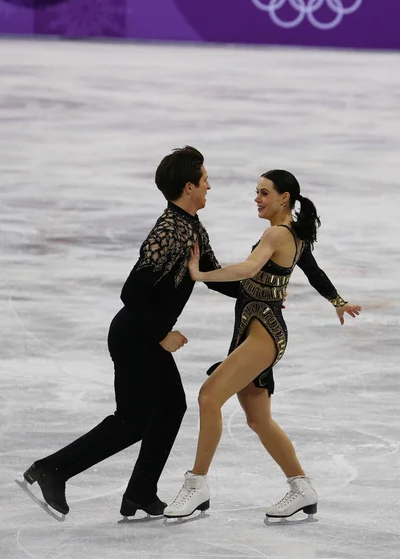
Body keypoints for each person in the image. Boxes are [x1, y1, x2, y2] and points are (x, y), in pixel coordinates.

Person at [21, 146, 239, 518]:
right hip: (136, 335)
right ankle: (51, 470)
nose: (209, 187)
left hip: (143, 334)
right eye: (204, 181)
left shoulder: (192, 227)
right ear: (188, 187)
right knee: (131, 421)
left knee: (170, 408)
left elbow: (213, 275)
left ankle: (139, 493)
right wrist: (160, 334)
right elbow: (131, 292)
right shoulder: (170, 231)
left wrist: (260, 292)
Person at [164, 169, 361, 520]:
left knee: (209, 396)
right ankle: (302, 488)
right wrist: (338, 301)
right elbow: (313, 271)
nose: (257, 198)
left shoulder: (277, 233)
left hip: (263, 334)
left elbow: (248, 269)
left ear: (284, 198)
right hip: (258, 331)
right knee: (258, 419)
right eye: (257, 192)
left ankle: (197, 485)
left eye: (264, 193)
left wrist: (201, 274)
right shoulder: (294, 236)